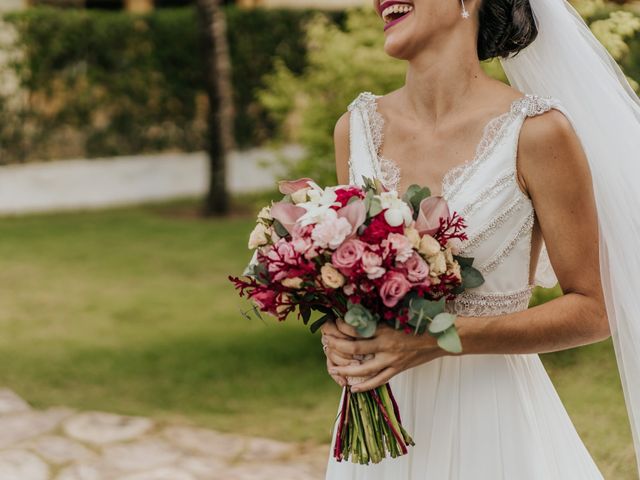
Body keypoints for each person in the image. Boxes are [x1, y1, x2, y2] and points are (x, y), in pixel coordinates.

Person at [321, 0, 640, 477]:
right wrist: (343, 334)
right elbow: (352, 280)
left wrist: (437, 339)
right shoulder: (355, 128)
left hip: (492, 421)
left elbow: (593, 309)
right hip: (383, 425)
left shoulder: (537, 132)